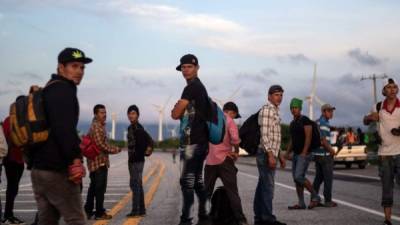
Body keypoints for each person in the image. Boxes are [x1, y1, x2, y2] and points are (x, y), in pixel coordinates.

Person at [30, 47, 91, 225]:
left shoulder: (49, 88)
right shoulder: (63, 90)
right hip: (56, 170)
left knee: (47, 221)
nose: (79, 71)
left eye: (82, 67)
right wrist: (75, 159)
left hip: (39, 170)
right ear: (61, 67)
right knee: (76, 219)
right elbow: (64, 130)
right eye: (74, 66)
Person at [171, 54, 210, 225]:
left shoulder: (191, 88)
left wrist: (176, 109)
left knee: (186, 182)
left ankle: (186, 220)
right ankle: (205, 215)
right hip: (202, 142)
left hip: (192, 142)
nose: (186, 70)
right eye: (183, 67)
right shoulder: (201, 87)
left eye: (189, 67)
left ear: (197, 68)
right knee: (197, 182)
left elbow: (176, 114)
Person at [204, 102, 248, 225]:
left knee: (206, 192)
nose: (234, 117)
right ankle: (241, 220)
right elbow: (235, 139)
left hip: (209, 162)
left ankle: (203, 220)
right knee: (232, 192)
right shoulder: (229, 121)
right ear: (232, 112)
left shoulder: (209, 121)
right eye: (234, 115)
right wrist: (236, 151)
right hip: (225, 160)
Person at [364, 78, 400, 225]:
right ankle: (387, 220)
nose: (392, 90)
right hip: (384, 154)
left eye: (394, 87)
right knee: (386, 186)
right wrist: (369, 117)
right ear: (383, 91)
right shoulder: (377, 106)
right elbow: (365, 121)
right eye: (388, 87)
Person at [254, 85, 286, 225]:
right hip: (266, 153)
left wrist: (280, 155)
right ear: (269, 96)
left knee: (263, 186)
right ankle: (267, 219)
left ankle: (260, 218)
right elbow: (265, 135)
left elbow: (275, 137)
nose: (279, 97)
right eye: (276, 94)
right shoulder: (267, 110)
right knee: (268, 187)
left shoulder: (275, 111)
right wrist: (271, 155)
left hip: (271, 153)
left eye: (280, 95)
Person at [84, 104, 121, 220]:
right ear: (96, 114)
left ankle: (88, 211)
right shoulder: (97, 127)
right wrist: (116, 149)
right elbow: (101, 145)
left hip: (94, 163)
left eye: (105, 112)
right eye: (101, 112)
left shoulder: (98, 125)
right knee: (100, 189)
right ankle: (99, 213)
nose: (104, 115)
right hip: (99, 163)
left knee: (93, 188)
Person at [284, 98, 321, 210]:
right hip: (296, 154)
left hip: (304, 154)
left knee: (299, 176)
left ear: (300, 108)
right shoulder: (292, 123)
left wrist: (304, 152)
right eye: (292, 108)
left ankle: (315, 196)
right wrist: (287, 152)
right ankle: (301, 203)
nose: (293, 110)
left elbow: (308, 137)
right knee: (296, 179)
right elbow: (292, 140)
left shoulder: (305, 120)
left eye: (295, 108)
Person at [126, 105, 154, 218]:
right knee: (137, 184)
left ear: (137, 115)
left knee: (135, 184)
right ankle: (141, 209)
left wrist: (143, 152)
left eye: (133, 113)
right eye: (129, 113)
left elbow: (149, 141)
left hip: (137, 161)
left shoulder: (139, 129)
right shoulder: (130, 127)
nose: (131, 115)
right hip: (133, 160)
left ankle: (135, 210)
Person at [312, 104, 338, 208]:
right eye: (329, 111)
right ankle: (328, 201)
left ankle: (314, 198)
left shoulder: (317, 122)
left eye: (332, 111)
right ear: (323, 112)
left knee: (318, 178)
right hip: (325, 154)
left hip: (317, 154)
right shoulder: (323, 123)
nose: (331, 113)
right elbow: (323, 140)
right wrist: (331, 151)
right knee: (328, 178)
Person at [2, 117, 25, 225]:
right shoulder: (11, 120)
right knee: (12, 188)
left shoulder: (12, 119)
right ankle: (8, 215)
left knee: (13, 188)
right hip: (11, 158)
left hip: (18, 159)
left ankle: (8, 215)